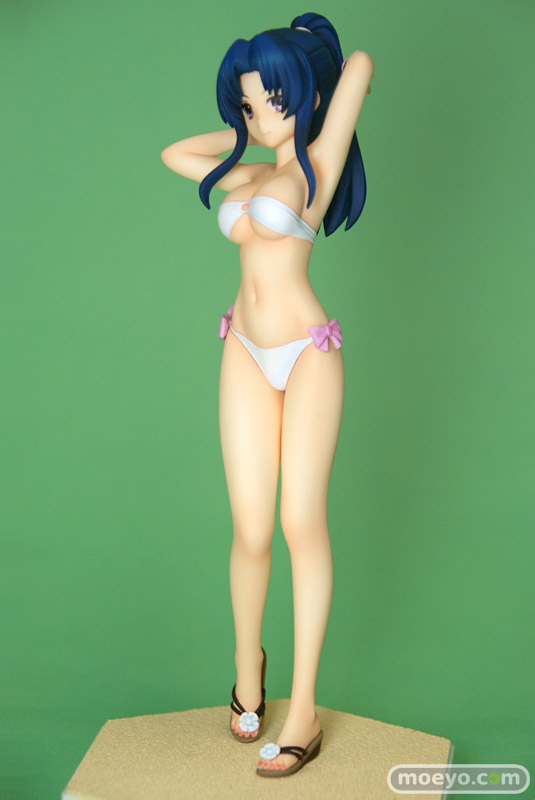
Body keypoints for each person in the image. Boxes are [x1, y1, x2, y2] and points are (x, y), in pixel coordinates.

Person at [160, 11, 373, 778]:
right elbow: (174, 154)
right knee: (249, 527)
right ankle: (246, 670)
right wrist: (242, 129)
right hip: (243, 350)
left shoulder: (317, 166)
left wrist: (308, 69)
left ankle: (304, 709)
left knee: (298, 522)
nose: (258, 116)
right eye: (247, 103)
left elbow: (360, 66)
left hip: (307, 352)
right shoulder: (247, 174)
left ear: (306, 96)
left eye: (271, 99)